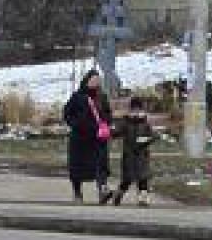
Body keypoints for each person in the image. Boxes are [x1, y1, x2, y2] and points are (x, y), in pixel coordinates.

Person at [63, 69, 114, 204]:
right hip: (80, 138)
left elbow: (108, 114)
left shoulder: (102, 97)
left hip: (97, 138)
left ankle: (103, 191)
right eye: (93, 79)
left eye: (98, 80)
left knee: (100, 165)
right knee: (77, 168)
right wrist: (76, 124)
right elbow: (67, 113)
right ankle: (77, 193)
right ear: (87, 80)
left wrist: (106, 123)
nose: (96, 82)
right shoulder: (77, 96)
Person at [112, 95, 154, 205]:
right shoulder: (125, 121)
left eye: (138, 109)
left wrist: (147, 139)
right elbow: (117, 132)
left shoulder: (145, 122)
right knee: (127, 179)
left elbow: (151, 135)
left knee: (143, 178)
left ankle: (143, 198)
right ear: (131, 109)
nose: (136, 112)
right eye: (134, 109)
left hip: (142, 155)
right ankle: (118, 194)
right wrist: (112, 131)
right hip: (129, 155)